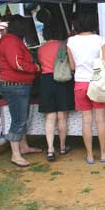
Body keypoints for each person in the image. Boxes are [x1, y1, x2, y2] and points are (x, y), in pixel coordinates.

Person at [67, 12, 105, 164]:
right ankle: (104, 153)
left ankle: (89, 155)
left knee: (86, 121)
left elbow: (72, 66)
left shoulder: (71, 41)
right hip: (97, 82)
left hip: (80, 83)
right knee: (100, 120)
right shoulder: (100, 39)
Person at [0, 15, 42, 167]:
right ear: (20, 28)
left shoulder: (12, 40)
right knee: (19, 119)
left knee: (22, 117)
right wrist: (34, 68)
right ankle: (16, 154)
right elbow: (17, 63)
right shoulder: (11, 41)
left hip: (17, 84)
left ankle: (23, 147)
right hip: (15, 85)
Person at [37, 10, 74, 162]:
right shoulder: (64, 45)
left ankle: (50, 150)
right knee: (62, 116)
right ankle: (63, 147)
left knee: (50, 117)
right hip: (61, 80)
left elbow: (40, 64)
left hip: (45, 81)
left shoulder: (41, 49)